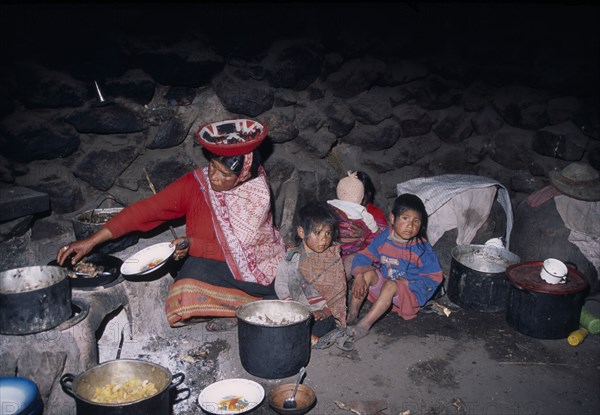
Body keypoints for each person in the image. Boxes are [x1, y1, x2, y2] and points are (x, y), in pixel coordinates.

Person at [56, 119, 286, 329]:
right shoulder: (197, 183)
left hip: (255, 267)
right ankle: (244, 310)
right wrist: (91, 241)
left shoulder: (254, 196)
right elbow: (147, 210)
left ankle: (246, 308)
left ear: (243, 175)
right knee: (183, 293)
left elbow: (243, 255)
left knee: (280, 286)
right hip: (210, 263)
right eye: (213, 166)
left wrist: (192, 244)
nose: (214, 177)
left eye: (225, 174)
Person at [346, 193, 443, 342]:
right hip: (386, 288)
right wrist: (358, 276)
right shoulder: (385, 237)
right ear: (392, 218)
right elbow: (364, 255)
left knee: (391, 285)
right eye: (405, 218)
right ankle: (352, 314)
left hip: (409, 295)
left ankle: (364, 326)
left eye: (416, 221)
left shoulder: (422, 248)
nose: (410, 226)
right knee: (367, 274)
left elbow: (434, 277)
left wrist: (409, 283)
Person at [274, 202, 352, 350]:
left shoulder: (331, 258)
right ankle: (302, 335)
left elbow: (338, 291)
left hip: (320, 312)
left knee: (323, 325)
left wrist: (325, 311)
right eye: (318, 233)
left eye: (328, 233)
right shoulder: (292, 258)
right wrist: (290, 304)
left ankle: (307, 335)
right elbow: (281, 284)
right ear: (302, 233)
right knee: (271, 305)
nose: (324, 239)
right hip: (295, 307)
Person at [327, 171, 381, 280]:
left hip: (354, 254)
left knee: (352, 260)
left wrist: (363, 235)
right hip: (335, 250)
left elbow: (379, 239)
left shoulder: (373, 213)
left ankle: (340, 284)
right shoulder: (336, 210)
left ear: (368, 194)